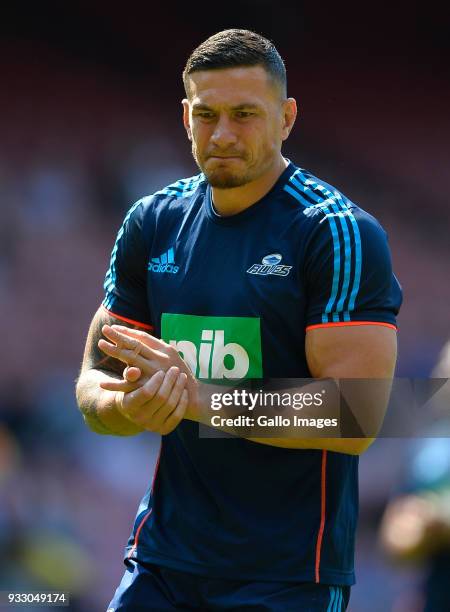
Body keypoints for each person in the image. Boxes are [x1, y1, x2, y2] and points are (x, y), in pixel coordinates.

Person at [76, 29, 402, 611]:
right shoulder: (152, 222)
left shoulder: (335, 231)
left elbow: (356, 414)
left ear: (287, 118)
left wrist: (198, 399)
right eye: (207, 115)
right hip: (162, 560)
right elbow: (93, 386)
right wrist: (129, 407)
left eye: (246, 114)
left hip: (288, 575)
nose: (223, 134)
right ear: (185, 117)